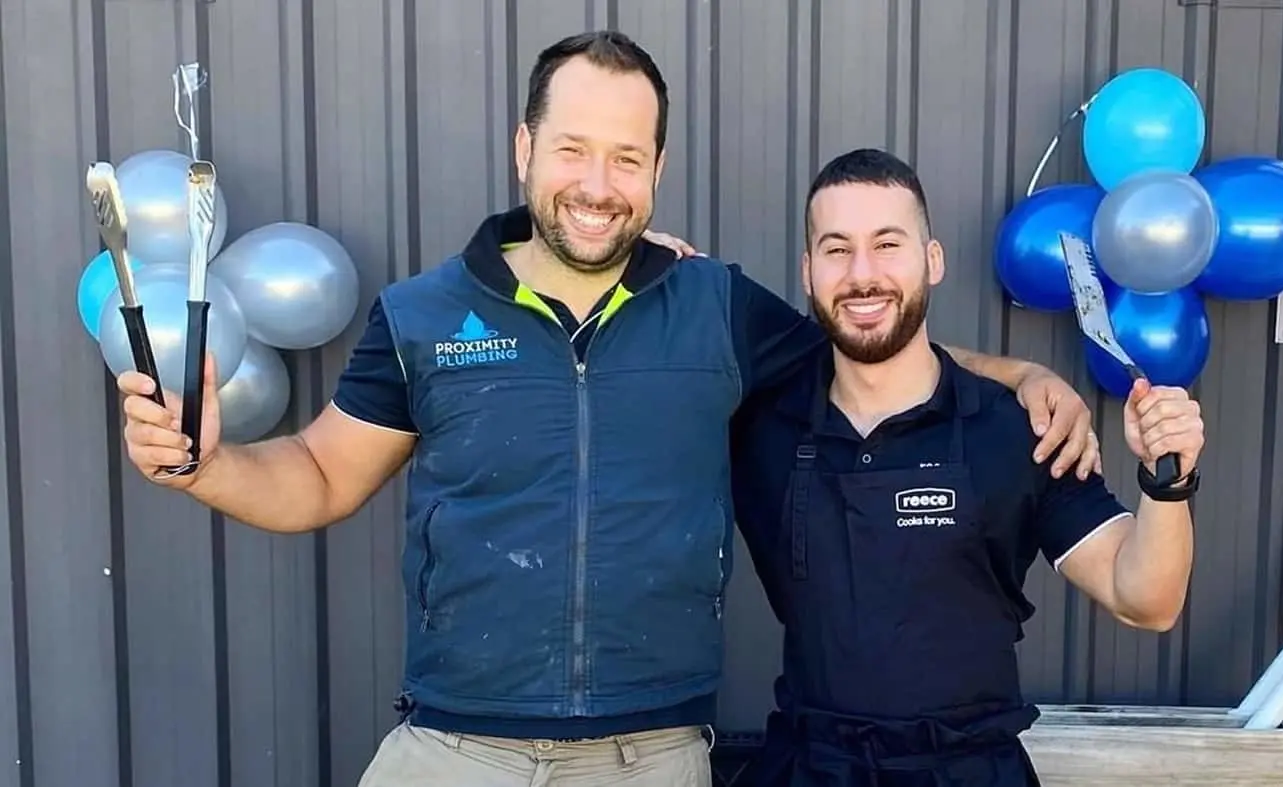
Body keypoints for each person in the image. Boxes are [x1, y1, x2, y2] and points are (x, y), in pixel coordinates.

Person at [115, 33, 1102, 787]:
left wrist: (1017, 378)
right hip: (454, 750)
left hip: (648, 757)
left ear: (657, 170)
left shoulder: (714, 307)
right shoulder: (422, 316)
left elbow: (874, 348)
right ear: (523, 147)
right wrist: (207, 464)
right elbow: (322, 475)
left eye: (626, 157)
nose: (597, 185)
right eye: (573, 149)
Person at [727, 147, 1204, 787]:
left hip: (970, 770)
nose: (862, 274)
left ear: (933, 261)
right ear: (809, 271)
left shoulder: (1012, 429)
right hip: (812, 767)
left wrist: (1166, 484)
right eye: (837, 249)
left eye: (888, 244)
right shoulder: (759, 423)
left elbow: (1144, 599)